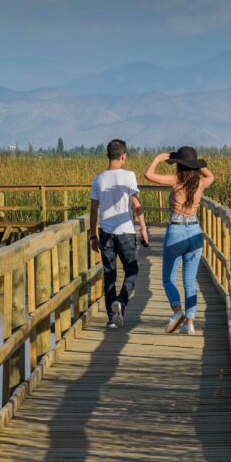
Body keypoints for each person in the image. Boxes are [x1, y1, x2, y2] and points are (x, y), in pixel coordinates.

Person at [144, 146, 215, 335]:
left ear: (179, 165)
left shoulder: (175, 180)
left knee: (168, 278)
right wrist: (199, 164)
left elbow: (148, 175)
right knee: (190, 281)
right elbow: (212, 176)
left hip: (176, 230)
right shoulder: (200, 183)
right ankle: (189, 323)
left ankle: (177, 312)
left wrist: (159, 159)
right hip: (194, 231)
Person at [89, 139, 149, 328]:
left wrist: (92, 236)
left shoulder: (98, 179)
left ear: (108, 155)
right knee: (131, 270)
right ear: (123, 156)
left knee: (110, 275)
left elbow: (93, 210)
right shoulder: (129, 176)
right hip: (125, 232)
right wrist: (143, 228)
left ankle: (111, 318)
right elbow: (135, 203)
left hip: (106, 233)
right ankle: (121, 301)